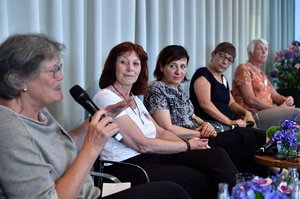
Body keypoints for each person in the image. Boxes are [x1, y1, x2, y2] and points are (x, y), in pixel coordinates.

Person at [0, 33, 194, 199]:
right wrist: (92, 148)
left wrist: (94, 122)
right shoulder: (9, 130)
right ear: (18, 79)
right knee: (171, 191)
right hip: (109, 181)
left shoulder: (38, 112)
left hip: (93, 193)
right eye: (53, 71)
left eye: (59, 68)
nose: (61, 77)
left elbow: (61, 146)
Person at [93, 41, 238, 199]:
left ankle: (242, 193)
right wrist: (187, 145)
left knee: (216, 156)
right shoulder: (105, 97)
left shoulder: (135, 99)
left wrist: (195, 145)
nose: (130, 69)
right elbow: (142, 144)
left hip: (152, 158)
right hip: (129, 167)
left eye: (136, 63)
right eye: (123, 62)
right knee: (198, 180)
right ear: (112, 66)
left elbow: (160, 131)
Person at [144, 44, 267, 176]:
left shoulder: (178, 89)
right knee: (251, 135)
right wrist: (200, 134)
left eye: (183, 66)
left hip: (202, 133)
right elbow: (167, 128)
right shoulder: (157, 89)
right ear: (162, 67)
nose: (178, 71)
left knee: (250, 152)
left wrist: (204, 124)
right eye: (172, 66)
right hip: (186, 142)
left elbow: (192, 115)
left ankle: (268, 182)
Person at [232, 38, 300, 130]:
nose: (264, 52)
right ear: (250, 53)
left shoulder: (262, 74)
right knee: (297, 114)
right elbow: (250, 99)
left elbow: (275, 95)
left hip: (268, 112)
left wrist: (286, 99)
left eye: (266, 49)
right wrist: (276, 108)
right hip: (252, 115)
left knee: (295, 113)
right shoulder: (244, 68)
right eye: (260, 49)